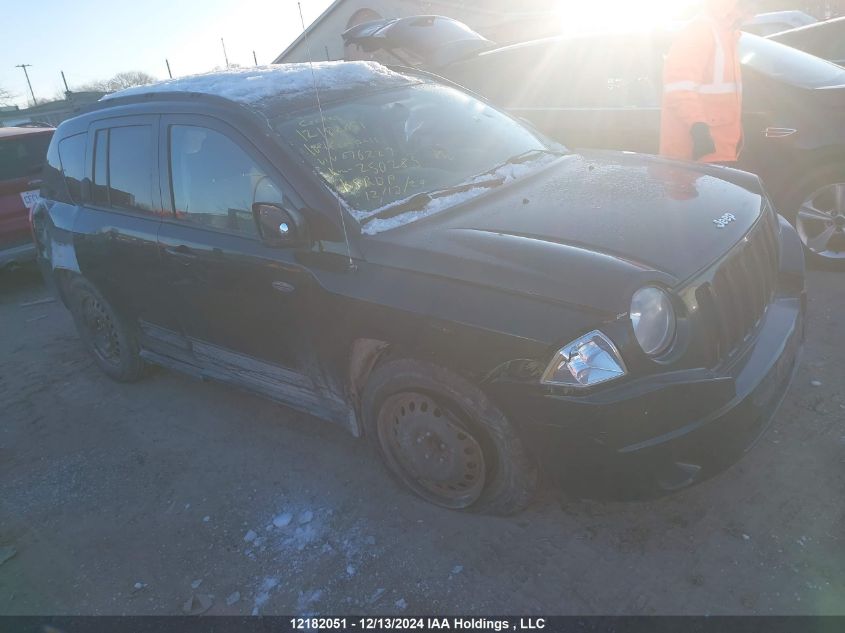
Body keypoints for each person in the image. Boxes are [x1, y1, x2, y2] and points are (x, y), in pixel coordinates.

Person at [659, 0, 756, 164]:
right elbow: (679, 88)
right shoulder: (701, 31)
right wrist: (698, 127)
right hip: (695, 153)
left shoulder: (727, 33)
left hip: (718, 150)